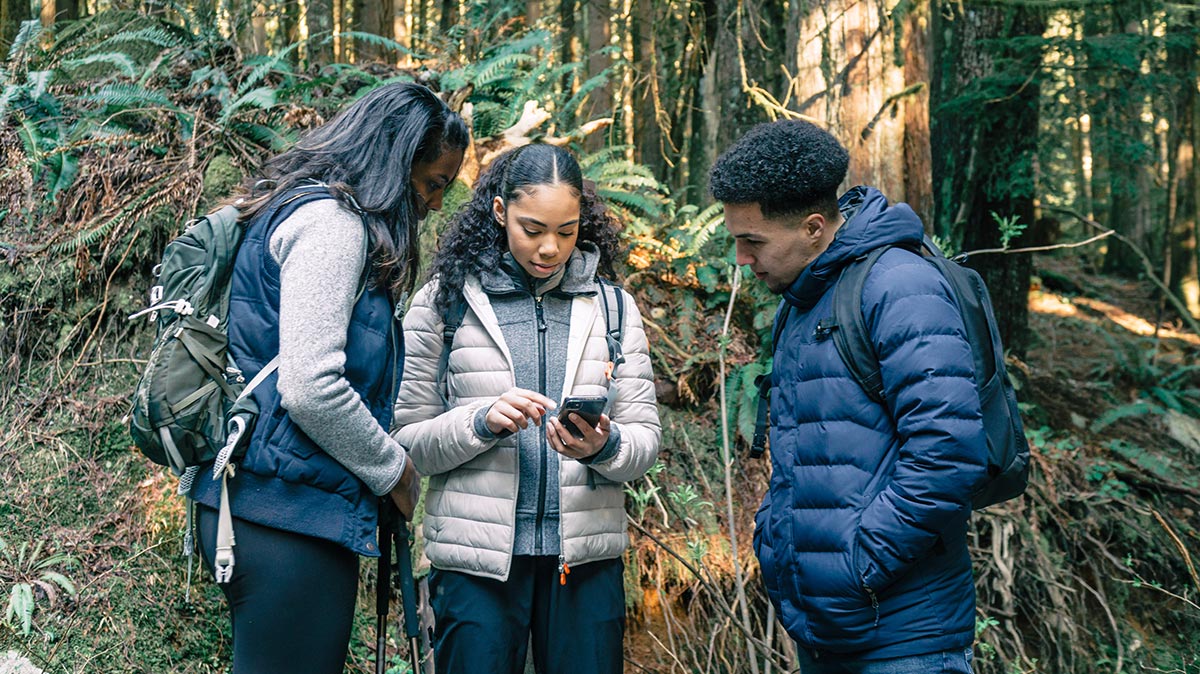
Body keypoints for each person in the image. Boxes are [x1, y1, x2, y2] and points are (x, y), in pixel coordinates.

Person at [186, 82, 469, 674]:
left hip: (273, 503)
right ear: (398, 160)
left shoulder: (306, 209)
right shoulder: (335, 224)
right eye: (435, 182)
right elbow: (311, 385)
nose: (436, 202)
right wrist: (394, 468)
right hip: (283, 515)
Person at [709, 120, 988, 673]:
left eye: (753, 241)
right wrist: (780, 542)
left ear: (814, 227)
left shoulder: (899, 287)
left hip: (905, 640)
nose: (741, 258)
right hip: (829, 626)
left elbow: (949, 451)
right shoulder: (807, 295)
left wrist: (857, 564)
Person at [391, 143, 661, 674]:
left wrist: (604, 446)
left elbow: (645, 440)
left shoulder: (612, 307)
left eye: (567, 231)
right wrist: (479, 421)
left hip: (584, 562)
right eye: (532, 229)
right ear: (499, 212)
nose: (549, 249)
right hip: (476, 565)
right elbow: (406, 442)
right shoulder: (442, 304)